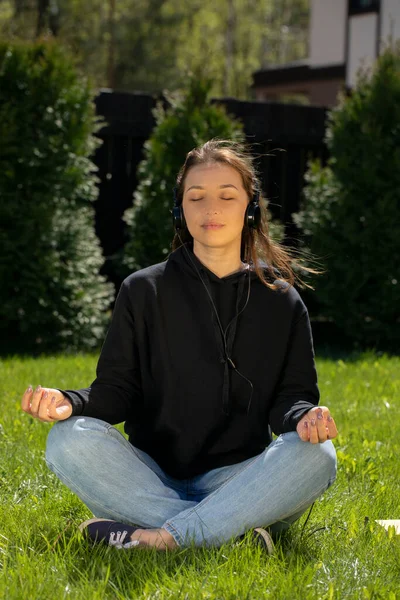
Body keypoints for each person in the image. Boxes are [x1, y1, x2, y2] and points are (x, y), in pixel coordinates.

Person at [21, 138, 338, 553]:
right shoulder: (142, 289)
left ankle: (159, 536)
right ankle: (224, 532)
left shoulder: (281, 301)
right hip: (150, 476)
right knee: (68, 439)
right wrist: (69, 402)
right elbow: (117, 392)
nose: (212, 208)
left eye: (227, 195)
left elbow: (291, 400)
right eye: (196, 196)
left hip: (239, 476)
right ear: (179, 208)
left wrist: (306, 418)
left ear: (249, 207)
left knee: (318, 456)